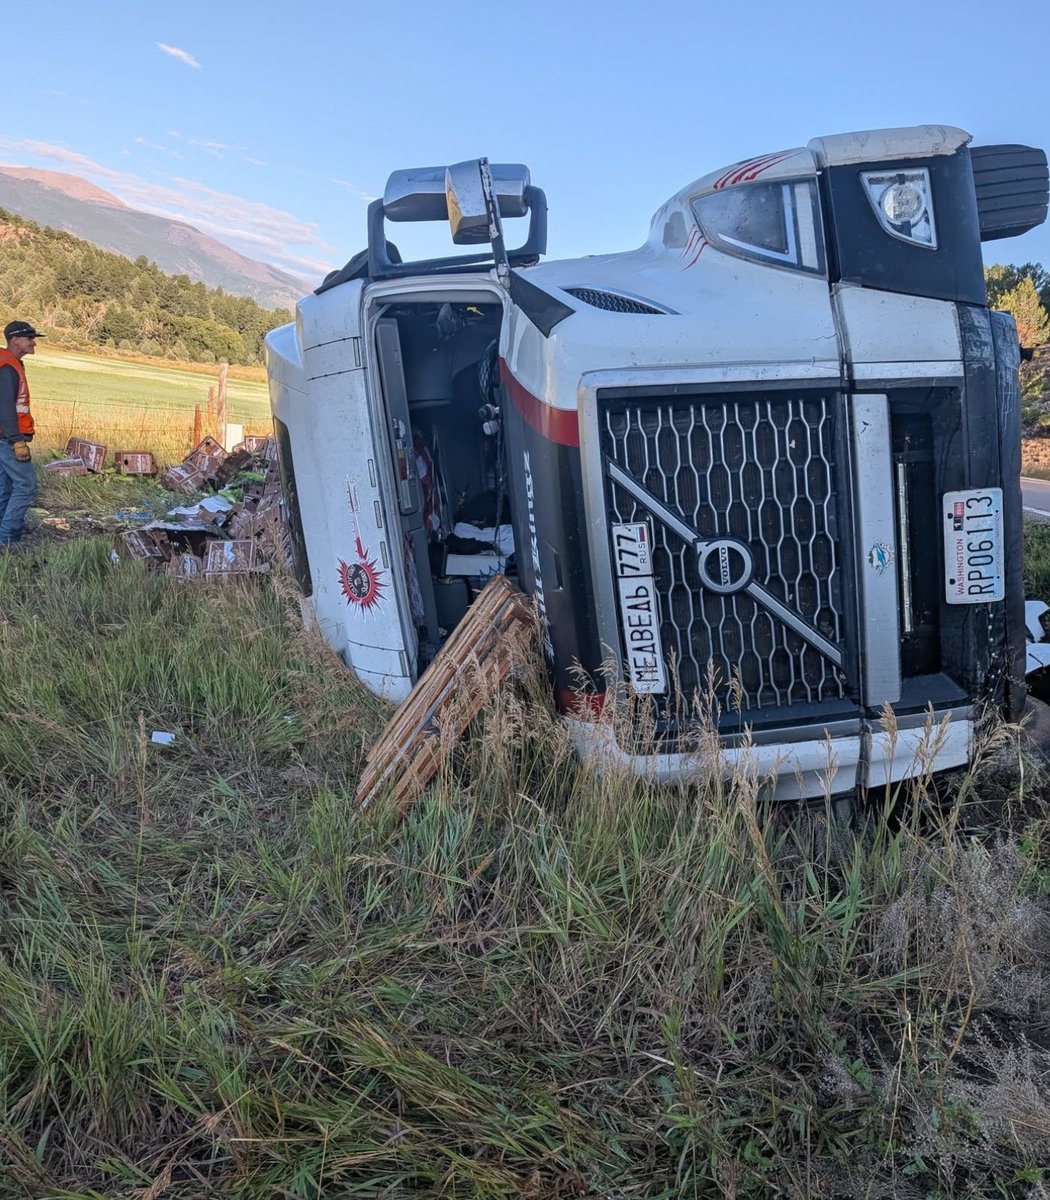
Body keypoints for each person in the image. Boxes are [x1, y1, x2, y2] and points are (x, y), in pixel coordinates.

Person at [0, 319, 42, 547]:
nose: (34, 342)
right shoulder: (8, 367)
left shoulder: (10, 363)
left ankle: (3, 535)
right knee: (26, 486)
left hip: (4, 437)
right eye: (29, 338)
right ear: (15, 340)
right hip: (8, 439)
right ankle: (8, 540)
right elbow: (5, 408)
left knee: (5, 487)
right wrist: (17, 441)